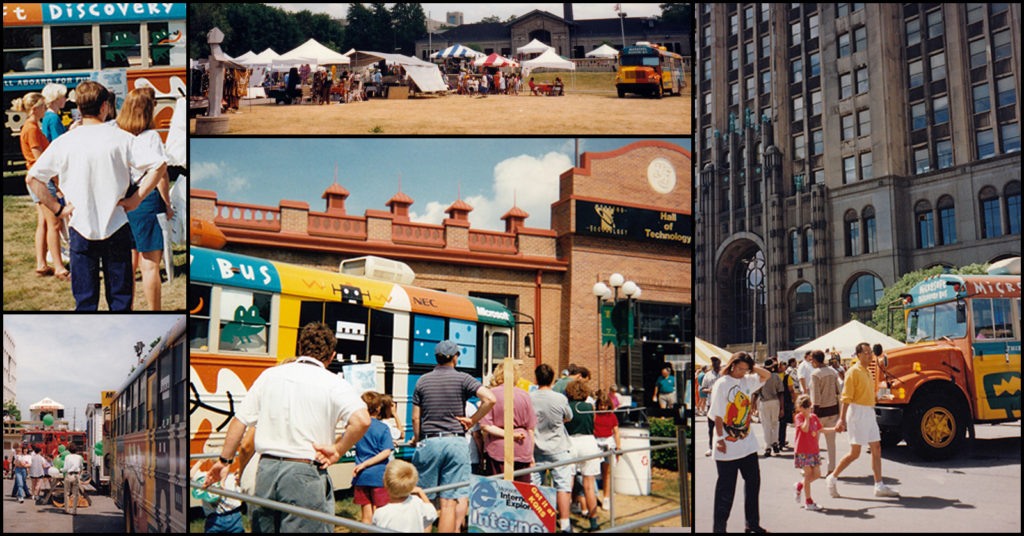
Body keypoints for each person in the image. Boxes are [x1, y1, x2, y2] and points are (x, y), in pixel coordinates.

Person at [204, 321, 372, 532]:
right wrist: (338, 450)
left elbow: (240, 421)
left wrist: (224, 460)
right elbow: (362, 420)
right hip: (304, 471)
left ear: (300, 348)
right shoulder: (334, 382)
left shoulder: (270, 375)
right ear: (331, 356)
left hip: (266, 470)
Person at [26, 81, 167, 311]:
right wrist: (136, 199)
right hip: (117, 225)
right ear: (105, 107)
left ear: (78, 108)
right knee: (121, 302)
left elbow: (33, 178)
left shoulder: (65, 142)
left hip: (81, 228)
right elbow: (159, 165)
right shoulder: (122, 138)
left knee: (85, 303)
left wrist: (58, 209)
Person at [410, 339, 496, 533]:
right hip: (455, 441)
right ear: (455, 357)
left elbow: (416, 418)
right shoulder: (463, 379)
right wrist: (472, 420)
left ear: (437, 358)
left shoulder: (422, 380)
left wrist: (417, 439)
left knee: (424, 498)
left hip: (429, 441)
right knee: (448, 502)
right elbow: (490, 399)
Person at [117, 87, 174, 310]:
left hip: (124, 200)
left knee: (129, 265)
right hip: (146, 199)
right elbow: (160, 175)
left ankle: (126, 308)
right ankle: (154, 310)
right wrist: (167, 203)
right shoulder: (152, 137)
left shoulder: (118, 134)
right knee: (150, 265)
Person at [708, 351, 772, 533]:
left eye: (746, 369)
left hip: (747, 443)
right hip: (727, 443)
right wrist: (719, 439)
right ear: (733, 365)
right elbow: (718, 414)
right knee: (726, 491)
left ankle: (752, 523)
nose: (742, 373)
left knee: (753, 484)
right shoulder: (721, 383)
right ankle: (719, 529)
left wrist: (752, 368)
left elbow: (767, 375)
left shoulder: (747, 380)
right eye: (740, 368)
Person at [827, 342, 900, 498]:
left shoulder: (868, 372)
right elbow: (846, 398)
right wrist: (841, 420)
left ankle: (879, 485)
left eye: (870, 352)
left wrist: (881, 397)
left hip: (868, 411)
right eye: (866, 352)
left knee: (877, 448)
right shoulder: (853, 372)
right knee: (855, 453)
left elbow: (868, 394)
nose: (869, 355)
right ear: (858, 355)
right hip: (857, 413)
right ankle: (832, 478)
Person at [14, 92, 71, 281]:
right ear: (34, 108)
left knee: (44, 223)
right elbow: (41, 163)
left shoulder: (29, 127)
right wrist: (56, 181)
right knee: (54, 223)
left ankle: (42, 263)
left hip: (36, 179)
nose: (45, 109)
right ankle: (59, 267)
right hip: (42, 181)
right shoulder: (32, 129)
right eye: (42, 106)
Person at [530, 364, 574, 533]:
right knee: (562, 486)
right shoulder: (560, 399)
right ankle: (564, 524)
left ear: (536, 378)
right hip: (558, 447)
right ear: (553, 378)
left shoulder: (530, 397)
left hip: (537, 448)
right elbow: (569, 416)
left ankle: (537, 522)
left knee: (536, 487)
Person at [479, 360, 536, 483]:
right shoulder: (525, 395)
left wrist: (509, 435)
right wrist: (531, 454)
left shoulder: (490, 395)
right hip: (522, 448)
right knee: (521, 494)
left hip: (497, 448)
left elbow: (485, 425)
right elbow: (530, 428)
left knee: (499, 493)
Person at [352, 391, 395, 525]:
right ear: (378, 407)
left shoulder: (357, 427)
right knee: (380, 514)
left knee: (366, 516)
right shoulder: (383, 428)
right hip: (378, 476)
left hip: (360, 476)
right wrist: (367, 464)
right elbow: (386, 452)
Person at [565, 379, 601, 532]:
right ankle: (593, 522)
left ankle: (565, 521)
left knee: (567, 485)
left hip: (571, 442)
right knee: (589, 486)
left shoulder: (567, 407)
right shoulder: (589, 407)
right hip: (588, 442)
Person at [792, 394, 836, 511]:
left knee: (816, 474)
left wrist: (834, 429)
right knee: (807, 474)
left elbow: (821, 430)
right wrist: (806, 416)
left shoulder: (814, 417)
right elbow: (805, 429)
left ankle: (800, 485)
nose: (808, 409)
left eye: (809, 406)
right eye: (805, 407)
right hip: (803, 450)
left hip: (813, 450)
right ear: (800, 407)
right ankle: (809, 501)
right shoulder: (799, 417)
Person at [372, 459, 438, 532]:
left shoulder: (381, 513)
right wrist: (421, 493)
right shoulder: (416, 502)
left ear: (385, 484)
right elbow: (432, 513)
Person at [809, 349, 842, 475]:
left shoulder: (815, 374)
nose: (811, 362)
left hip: (820, 411)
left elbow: (815, 396)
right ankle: (831, 468)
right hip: (833, 409)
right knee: (831, 443)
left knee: (814, 442)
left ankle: (812, 467)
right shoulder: (833, 372)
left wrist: (813, 414)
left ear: (816, 360)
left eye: (812, 360)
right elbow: (838, 391)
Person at [190, 463, 244, 533]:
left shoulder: (204, 476)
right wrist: (241, 471)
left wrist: (201, 461)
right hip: (232, 516)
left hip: (216, 518)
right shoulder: (232, 477)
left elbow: (191, 475)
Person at [593, 391, 621, 509]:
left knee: (607, 473)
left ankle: (606, 498)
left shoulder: (612, 416)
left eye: (605, 405)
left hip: (608, 444)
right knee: (592, 472)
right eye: (601, 405)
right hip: (596, 443)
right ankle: (593, 496)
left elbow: (616, 432)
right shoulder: (594, 415)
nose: (603, 407)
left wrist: (618, 447)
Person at [753, 358, 785, 457]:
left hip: (764, 402)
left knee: (766, 425)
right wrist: (782, 407)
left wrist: (752, 405)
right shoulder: (776, 377)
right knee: (775, 423)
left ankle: (767, 446)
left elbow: (756, 393)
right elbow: (781, 393)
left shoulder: (760, 378)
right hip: (775, 401)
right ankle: (775, 442)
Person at [701, 356, 721, 456]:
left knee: (724, 427)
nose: (714, 363)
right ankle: (711, 447)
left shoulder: (724, 374)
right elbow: (703, 388)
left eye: (716, 361)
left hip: (723, 404)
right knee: (711, 427)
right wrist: (710, 390)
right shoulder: (708, 375)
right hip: (711, 404)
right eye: (713, 361)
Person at [62, 443, 84, 515]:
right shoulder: (79, 457)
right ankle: (74, 511)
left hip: (69, 475)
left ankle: (67, 509)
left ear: (69, 450)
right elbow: (81, 467)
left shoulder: (67, 457)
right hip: (76, 475)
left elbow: (65, 468)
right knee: (75, 494)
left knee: (67, 493)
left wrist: (61, 470)